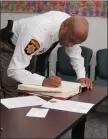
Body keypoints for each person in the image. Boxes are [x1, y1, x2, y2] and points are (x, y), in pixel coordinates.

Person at [0, 11, 93, 97]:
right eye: (71, 40)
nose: (70, 45)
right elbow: (14, 70)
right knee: (13, 88)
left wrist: (81, 77)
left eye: (75, 43)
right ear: (64, 26)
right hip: (10, 46)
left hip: (31, 51)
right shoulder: (37, 33)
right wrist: (43, 80)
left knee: (29, 88)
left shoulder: (71, 30)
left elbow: (75, 54)